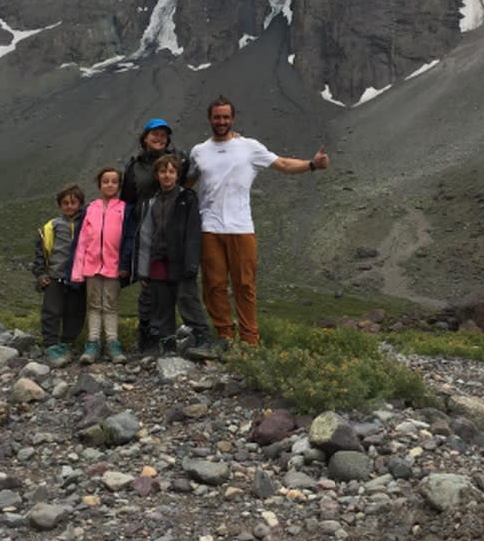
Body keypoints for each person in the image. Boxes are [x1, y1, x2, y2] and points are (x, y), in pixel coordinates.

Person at [188, 95, 330, 347]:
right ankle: (224, 336)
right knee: (213, 285)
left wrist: (311, 165)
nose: (221, 121)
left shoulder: (249, 147)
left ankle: (249, 339)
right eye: (217, 117)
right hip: (208, 227)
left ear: (233, 119)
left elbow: (283, 164)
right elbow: (186, 182)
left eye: (226, 117)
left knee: (244, 285)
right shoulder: (199, 151)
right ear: (209, 119)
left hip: (241, 227)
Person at [132, 154, 214, 357]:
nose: (167, 175)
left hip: (181, 261)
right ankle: (166, 344)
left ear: (177, 175)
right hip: (157, 260)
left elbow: (193, 233)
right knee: (162, 304)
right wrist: (143, 270)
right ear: (157, 175)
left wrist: (192, 264)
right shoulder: (151, 202)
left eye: (171, 171)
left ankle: (202, 340)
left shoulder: (187, 198)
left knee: (187, 300)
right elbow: (145, 236)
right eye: (162, 171)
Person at [120, 118, 188, 352]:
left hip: (173, 231)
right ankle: (147, 335)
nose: (159, 138)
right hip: (145, 232)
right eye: (154, 134)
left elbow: (192, 178)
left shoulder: (179, 159)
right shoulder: (134, 167)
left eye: (163, 135)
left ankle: (167, 336)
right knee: (147, 284)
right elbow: (127, 201)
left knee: (171, 286)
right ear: (145, 138)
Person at [71, 167, 134, 365]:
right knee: (94, 305)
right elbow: (81, 240)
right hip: (91, 266)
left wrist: (125, 264)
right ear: (99, 185)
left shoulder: (125, 209)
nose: (109, 185)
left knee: (110, 305)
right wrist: (77, 269)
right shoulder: (90, 208)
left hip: (114, 267)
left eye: (114, 181)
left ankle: (113, 343)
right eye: (105, 181)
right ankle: (93, 343)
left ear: (119, 185)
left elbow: (129, 239)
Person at [31, 183, 87, 367]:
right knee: (51, 311)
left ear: (80, 203)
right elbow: (41, 254)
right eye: (65, 203)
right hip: (55, 276)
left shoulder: (86, 224)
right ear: (59, 205)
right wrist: (40, 274)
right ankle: (51, 345)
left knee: (75, 311)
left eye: (73, 202)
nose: (69, 206)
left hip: (78, 277)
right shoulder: (51, 227)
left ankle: (67, 343)